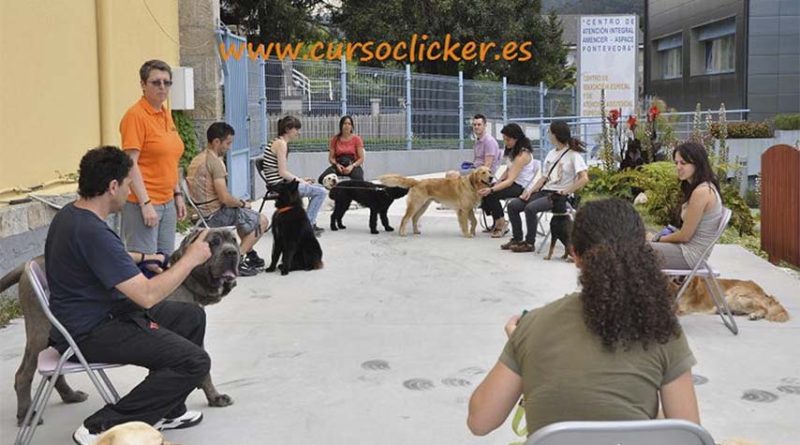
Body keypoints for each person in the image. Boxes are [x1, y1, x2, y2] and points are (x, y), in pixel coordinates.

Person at [467, 198, 700, 437]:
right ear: (643, 251)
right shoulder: (662, 331)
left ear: (575, 255)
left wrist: (519, 345)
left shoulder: (532, 326)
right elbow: (687, 437)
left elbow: (480, 421)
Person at [45, 146, 213, 445]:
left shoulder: (73, 215)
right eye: (128, 185)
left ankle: (169, 409)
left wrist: (145, 257)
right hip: (92, 331)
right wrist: (191, 258)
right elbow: (147, 295)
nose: (130, 192)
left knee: (191, 316)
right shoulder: (92, 231)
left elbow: (106, 257)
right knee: (195, 362)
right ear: (112, 187)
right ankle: (102, 426)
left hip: (90, 317)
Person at [120, 60, 185, 257]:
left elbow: (170, 159)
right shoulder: (135, 116)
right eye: (156, 82)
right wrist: (145, 204)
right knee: (145, 263)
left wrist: (177, 194)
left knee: (165, 260)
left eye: (167, 82)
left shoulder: (165, 113)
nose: (162, 87)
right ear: (143, 84)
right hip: (144, 203)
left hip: (167, 202)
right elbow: (130, 163)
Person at [187, 122, 269, 276]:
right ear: (217, 142)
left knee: (244, 216)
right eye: (228, 143)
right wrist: (243, 203)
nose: (229, 147)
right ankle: (239, 259)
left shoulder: (198, 159)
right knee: (261, 220)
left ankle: (251, 255)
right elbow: (224, 198)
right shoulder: (215, 163)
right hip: (214, 215)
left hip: (202, 213)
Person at [503, 121, 589, 253]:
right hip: (545, 191)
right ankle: (517, 238)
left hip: (558, 196)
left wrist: (565, 191)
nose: (548, 134)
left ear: (555, 135)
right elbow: (543, 178)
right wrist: (529, 191)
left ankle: (529, 243)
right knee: (513, 205)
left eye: (549, 132)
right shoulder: (551, 153)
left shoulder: (573, 155)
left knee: (530, 208)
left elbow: (584, 178)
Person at [651, 141, 723, 269]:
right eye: (676, 163)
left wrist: (657, 239)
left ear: (698, 164)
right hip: (685, 250)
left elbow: (685, 236)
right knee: (640, 239)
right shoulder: (699, 188)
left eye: (683, 163)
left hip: (689, 255)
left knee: (634, 251)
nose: (678, 167)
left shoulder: (702, 192)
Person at [261, 115, 327, 235]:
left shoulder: (276, 141)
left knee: (317, 189)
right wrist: (300, 181)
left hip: (279, 184)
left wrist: (300, 179)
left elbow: (281, 172)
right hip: (280, 187)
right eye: (296, 129)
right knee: (321, 192)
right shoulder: (281, 144)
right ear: (287, 129)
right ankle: (308, 225)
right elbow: (282, 172)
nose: (298, 132)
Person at [477, 123, 539, 238]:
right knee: (487, 191)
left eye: (508, 139)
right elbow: (508, 169)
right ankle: (497, 220)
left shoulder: (523, 154)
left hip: (520, 186)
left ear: (516, 138)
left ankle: (501, 223)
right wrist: (498, 182)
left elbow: (510, 181)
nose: (506, 142)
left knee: (492, 194)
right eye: (504, 139)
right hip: (513, 182)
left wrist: (492, 189)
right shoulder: (513, 150)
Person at [446, 114, 502, 179]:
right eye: (474, 125)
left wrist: (473, 176)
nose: (476, 127)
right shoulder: (477, 141)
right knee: (451, 174)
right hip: (474, 169)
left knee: (451, 175)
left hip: (481, 174)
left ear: (485, 125)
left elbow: (487, 167)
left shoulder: (489, 141)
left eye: (479, 124)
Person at [317, 115, 366, 183]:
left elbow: (361, 158)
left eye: (349, 124)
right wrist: (337, 165)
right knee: (322, 179)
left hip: (353, 165)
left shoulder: (357, 139)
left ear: (352, 126)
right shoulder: (335, 139)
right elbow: (331, 158)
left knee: (358, 180)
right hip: (338, 166)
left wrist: (352, 166)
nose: (347, 126)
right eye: (345, 123)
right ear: (341, 125)